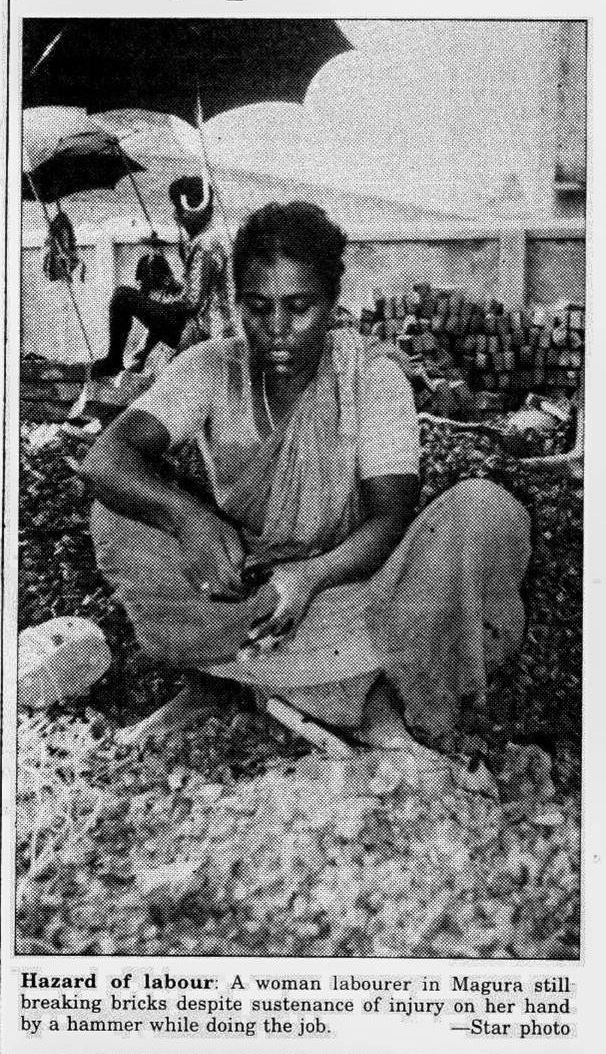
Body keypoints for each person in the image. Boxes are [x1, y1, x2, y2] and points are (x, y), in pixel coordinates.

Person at [81, 201, 531, 750]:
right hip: (247, 590)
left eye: (299, 308)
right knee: (118, 515)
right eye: (258, 307)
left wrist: (308, 578)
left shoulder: (370, 376)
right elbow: (107, 458)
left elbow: (390, 519)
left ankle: (319, 689)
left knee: (482, 511)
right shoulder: (210, 367)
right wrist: (190, 520)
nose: (277, 330)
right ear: (236, 303)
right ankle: (252, 680)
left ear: (332, 302)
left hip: (353, 585)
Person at [90, 176, 234, 380]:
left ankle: (114, 362)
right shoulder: (217, 237)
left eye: (180, 211)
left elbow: (191, 303)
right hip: (216, 330)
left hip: (205, 333)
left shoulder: (206, 245)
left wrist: (162, 302)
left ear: (197, 211)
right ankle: (138, 360)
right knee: (159, 309)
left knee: (123, 296)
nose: (176, 216)